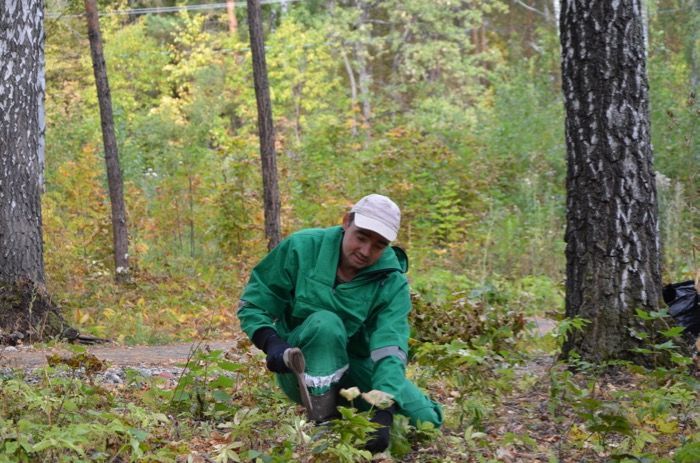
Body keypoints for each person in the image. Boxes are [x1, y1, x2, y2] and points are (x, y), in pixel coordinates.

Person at [237, 194, 442, 453]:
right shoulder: (302, 248)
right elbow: (255, 303)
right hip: (302, 368)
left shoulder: (391, 282)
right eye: (361, 237)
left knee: (427, 421)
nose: (366, 251)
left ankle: (351, 410)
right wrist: (272, 342)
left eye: (378, 245)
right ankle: (324, 421)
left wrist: (384, 404)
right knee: (326, 323)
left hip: (356, 365)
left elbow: (390, 346)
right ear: (346, 222)